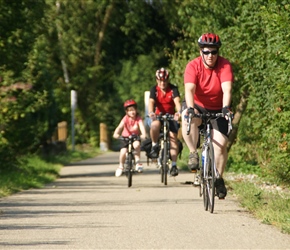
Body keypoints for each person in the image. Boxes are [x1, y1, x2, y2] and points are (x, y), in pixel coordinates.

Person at [181, 33, 234, 198]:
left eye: (214, 52)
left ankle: (218, 178)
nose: (210, 55)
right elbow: (189, 90)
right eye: (206, 52)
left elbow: (227, 89)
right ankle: (192, 152)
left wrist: (226, 107)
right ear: (200, 52)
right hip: (197, 105)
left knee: (221, 145)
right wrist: (190, 108)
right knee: (187, 117)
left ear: (218, 52)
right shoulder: (193, 66)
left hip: (218, 107)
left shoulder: (224, 65)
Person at [148, 67, 182, 177]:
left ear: (168, 80)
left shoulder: (173, 89)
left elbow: (177, 102)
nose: (163, 83)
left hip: (171, 116)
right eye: (160, 80)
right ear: (157, 80)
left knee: (173, 139)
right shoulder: (154, 90)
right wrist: (151, 112)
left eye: (165, 80)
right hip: (159, 115)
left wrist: (179, 112)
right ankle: (154, 145)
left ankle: (173, 165)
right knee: (154, 125)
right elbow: (151, 102)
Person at [113, 99, 146, 177]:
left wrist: (143, 134)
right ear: (127, 112)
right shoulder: (125, 118)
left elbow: (142, 127)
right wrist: (116, 134)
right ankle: (121, 166)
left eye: (134, 109)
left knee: (137, 145)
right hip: (125, 138)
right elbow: (119, 127)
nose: (132, 112)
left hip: (135, 137)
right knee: (123, 151)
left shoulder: (138, 118)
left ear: (136, 110)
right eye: (130, 110)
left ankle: (138, 162)